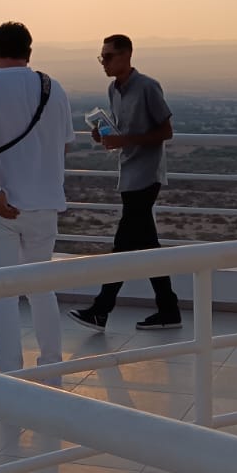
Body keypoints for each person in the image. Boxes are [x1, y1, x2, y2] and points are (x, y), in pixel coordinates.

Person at [0, 22, 74, 376]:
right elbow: (64, 141)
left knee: (4, 294)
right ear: (29, 51)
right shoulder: (52, 87)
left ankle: (10, 373)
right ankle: (51, 366)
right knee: (42, 288)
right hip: (44, 202)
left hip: (1, 206)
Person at [68, 34, 182, 332]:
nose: (104, 63)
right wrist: (105, 136)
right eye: (101, 57)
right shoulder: (113, 89)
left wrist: (124, 140)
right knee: (147, 246)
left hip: (146, 175)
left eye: (108, 57)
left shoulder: (147, 87)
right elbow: (123, 132)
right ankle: (168, 309)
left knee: (124, 244)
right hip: (129, 173)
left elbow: (166, 131)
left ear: (127, 56)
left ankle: (101, 309)